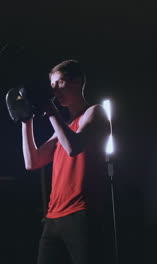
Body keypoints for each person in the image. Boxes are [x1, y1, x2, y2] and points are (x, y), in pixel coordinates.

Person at [8, 60, 111, 264]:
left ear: (77, 82)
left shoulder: (95, 112)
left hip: (82, 214)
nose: (54, 90)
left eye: (60, 83)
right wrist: (25, 120)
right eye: (52, 86)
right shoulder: (63, 128)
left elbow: (74, 147)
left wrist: (49, 109)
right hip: (53, 218)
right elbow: (32, 162)